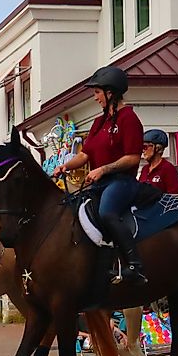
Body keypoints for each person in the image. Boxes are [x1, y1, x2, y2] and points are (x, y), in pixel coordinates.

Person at [53, 66, 147, 285]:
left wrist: (103, 169)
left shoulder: (129, 119)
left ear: (110, 92)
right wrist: (64, 166)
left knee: (106, 213)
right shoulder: (98, 122)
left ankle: (135, 265)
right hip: (99, 184)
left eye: (97, 92)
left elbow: (133, 158)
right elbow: (85, 154)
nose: (95, 97)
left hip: (121, 182)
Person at [139, 129, 178, 194]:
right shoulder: (145, 169)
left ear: (157, 148)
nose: (143, 151)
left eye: (145, 147)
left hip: (161, 204)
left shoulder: (168, 168)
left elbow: (174, 196)